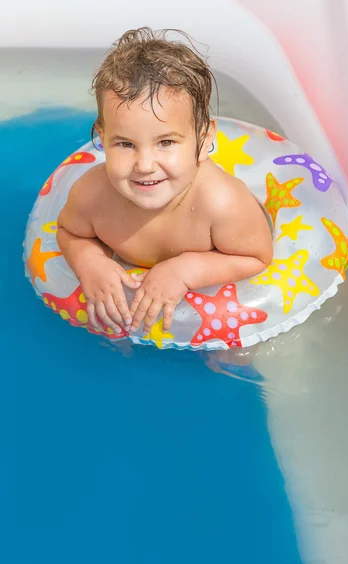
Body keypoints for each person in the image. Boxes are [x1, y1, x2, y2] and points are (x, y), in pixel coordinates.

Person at [57, 27, 272, 337]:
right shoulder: (92, 195)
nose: (145, 165)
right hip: (136, 317)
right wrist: (89, 262)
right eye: (125, 144)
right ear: (102, 139)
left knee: (235, 356)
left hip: (218, 312)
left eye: (167, 142)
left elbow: (255, 256)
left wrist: (185, 270)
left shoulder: (220, 202)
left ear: (204, 136)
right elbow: (68, 232)